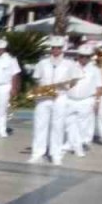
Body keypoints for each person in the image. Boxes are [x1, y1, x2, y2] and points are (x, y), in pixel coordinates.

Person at [28, 36, 78, 165]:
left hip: (60, 96)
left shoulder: (70, 64)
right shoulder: (43, 62)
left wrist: (65, 87)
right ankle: (37, 153)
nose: (56, 50)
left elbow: (74, 80)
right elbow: (37, 79)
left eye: (58, 48)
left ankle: (55, 154)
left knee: (58, 126)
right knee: (40, 125)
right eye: (53, 48)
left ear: (63, 49)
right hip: (44, 97)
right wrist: (40, 91)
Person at [62, 46, 102, 157]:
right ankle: (69, 144)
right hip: (70, 99)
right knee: (68, 123)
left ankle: (78, 146)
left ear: (90, 57)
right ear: (78, 56)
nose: (84, 58)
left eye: (87, 56)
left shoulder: (95, 70)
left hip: (86, 100)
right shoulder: (71, 67)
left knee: (82, 125)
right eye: (82, 56)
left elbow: (99, 87)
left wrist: (97, 102)